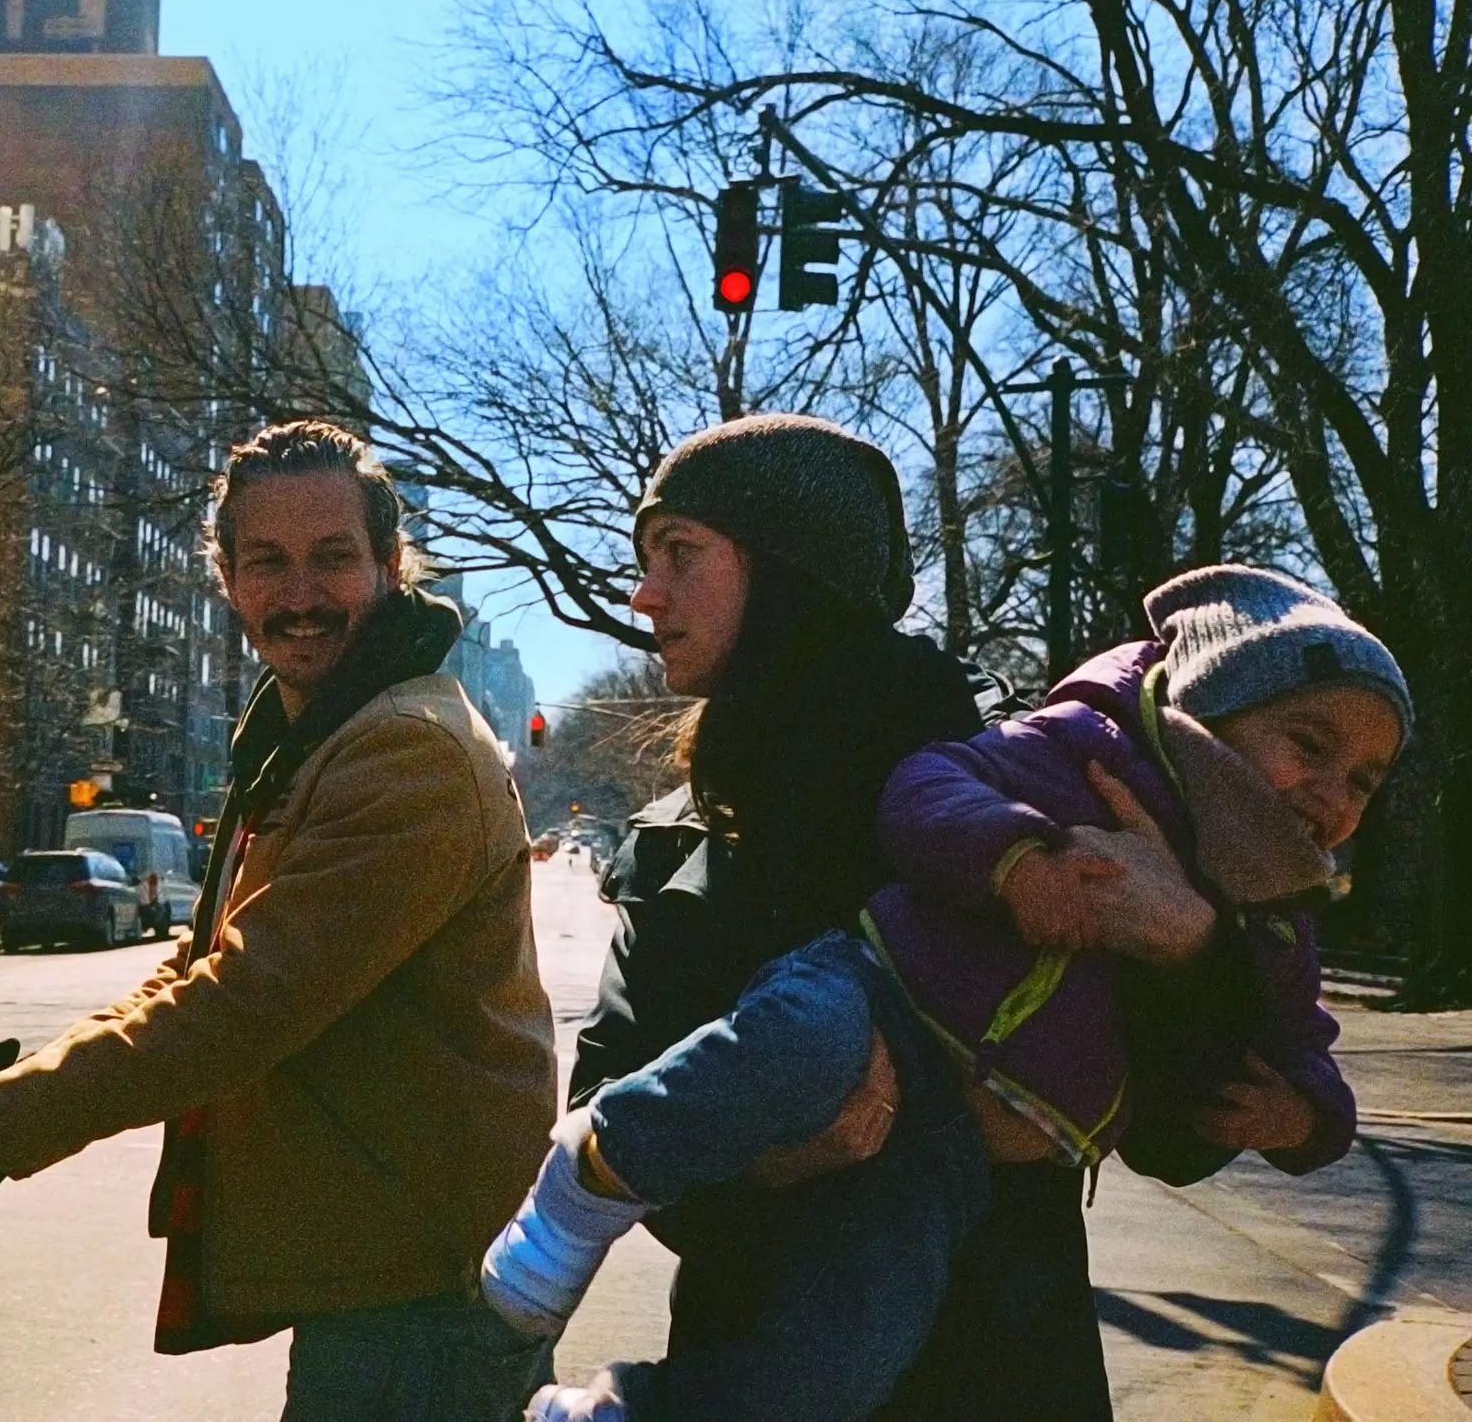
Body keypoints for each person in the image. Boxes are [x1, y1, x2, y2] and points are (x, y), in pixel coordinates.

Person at [532, 412, 1320, 1422]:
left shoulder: (1019, 799)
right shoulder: (673, 838)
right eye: (648, 560)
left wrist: (1193, 945)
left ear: (786, 570)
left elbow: (1183, 1137)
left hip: (1003, 1370)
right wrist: (778, 1151)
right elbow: (607, 1114)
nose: (646, 595)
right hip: (763, 1368)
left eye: (679, 554)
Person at [0, 421, 559, 1421]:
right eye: (267, 561)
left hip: (417, 1296)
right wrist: (1, 1091)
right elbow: (205, 962)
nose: (299, 595)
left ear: (391, 566)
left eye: (332, 558)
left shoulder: (407, 752)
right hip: (390, 1262)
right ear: (226, 576)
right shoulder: (322, 733)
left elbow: (241, 1005)